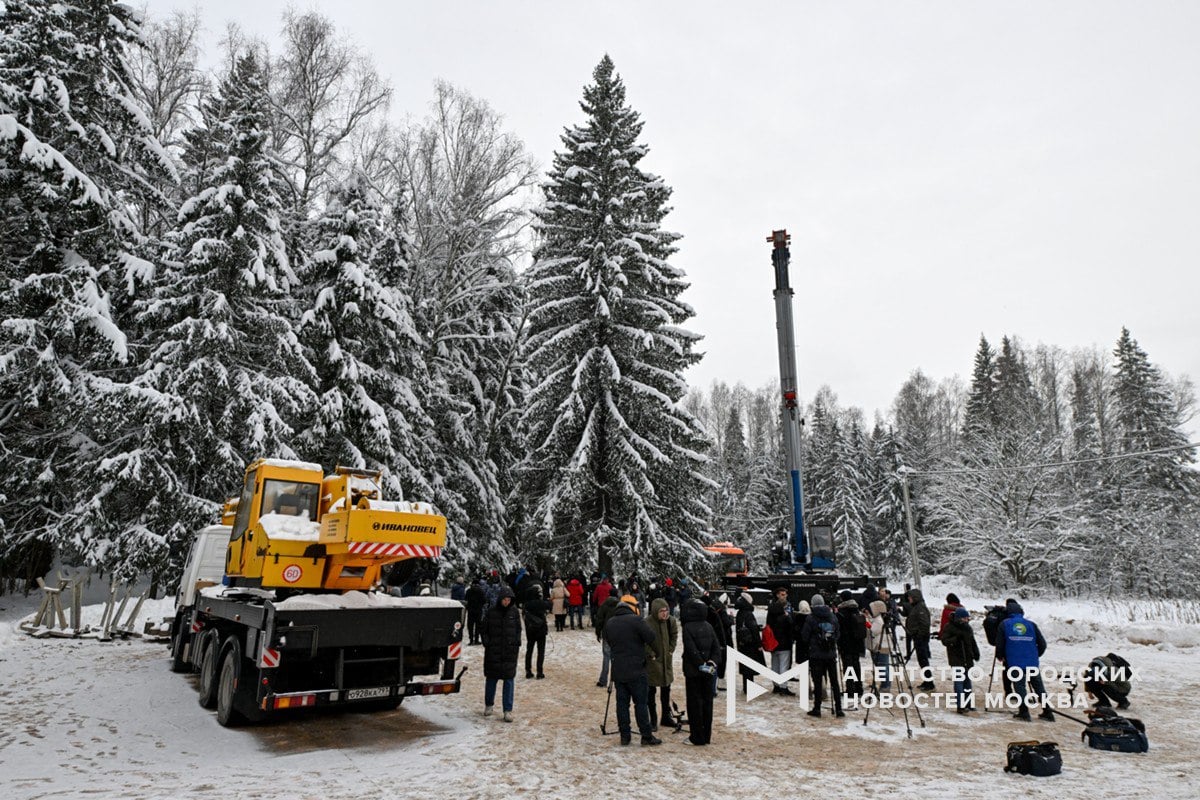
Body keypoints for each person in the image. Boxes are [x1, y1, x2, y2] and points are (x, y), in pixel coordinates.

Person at [604, 595, 661, 745]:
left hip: (619, 669)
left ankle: (625, 735)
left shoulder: (610, 623)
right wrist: (657, 653)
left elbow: (608, 641)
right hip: (637, 668)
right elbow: (651, 637)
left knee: (622, 704)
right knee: (640, 703)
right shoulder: (636, 620)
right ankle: (646, 736)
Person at [995, 599, 1054, 721]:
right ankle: (1047, 710)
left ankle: (1024, 711)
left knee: (1020, 686)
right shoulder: (1031, 624)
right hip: (1032, 662)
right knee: (1039, 686)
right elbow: (1042, 643)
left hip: (1015, 661)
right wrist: (1036, 655)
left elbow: (999, 644)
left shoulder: (1004, 624)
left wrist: (1000, 656)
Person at [681, 598, 720, 745]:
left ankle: (696, 737)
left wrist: (701, 664)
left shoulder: (687, 627)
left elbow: (691, 650)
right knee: (707, 703)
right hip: (708, 671)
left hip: (693, 671)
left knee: (694, 704)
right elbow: (717, 648)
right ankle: (706, 735)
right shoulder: (708, 626)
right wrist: (711, 663)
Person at [481, 585, 520, 722]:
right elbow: (483, 629)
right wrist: (487, 642)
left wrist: (516, 643)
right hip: (494, 652)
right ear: (500, 599)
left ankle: (508, 710)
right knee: (491, 680)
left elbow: (518, 630)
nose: (506, 602)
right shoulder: (491, 612)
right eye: (505, 599)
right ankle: (489, 705)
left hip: (509, 653)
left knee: (509, 682)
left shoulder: (514, 612)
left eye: (509, 600)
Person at [802, 594, 843, 718]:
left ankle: (817, 708)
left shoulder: (811, 618)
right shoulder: (832, 616)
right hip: (830, 654)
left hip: (816, 655)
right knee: (834, 682)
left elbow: (805, 636)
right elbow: (837, 634)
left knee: (818, 682)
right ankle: (839, 708)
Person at [646, 598, 679, 729]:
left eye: (666, 611)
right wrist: (651, 654)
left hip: (666, 661)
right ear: (655, 611)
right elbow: (643, 641)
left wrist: (670, 650)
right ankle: (653, 720)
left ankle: (666, 716)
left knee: (666, 689)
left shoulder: (670, 621)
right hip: (652, 663)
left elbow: (674, 635)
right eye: (661, 611)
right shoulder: (647, 623)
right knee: (651, 692)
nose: (664, 614)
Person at [940, 607, 981, 713]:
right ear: (959, 618)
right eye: (965, 618)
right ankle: (960, 705)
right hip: (956, 658)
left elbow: (972, 641)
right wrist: (956, 639)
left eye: (967, 618)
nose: (967, 619)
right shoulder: (949, 627)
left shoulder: (967, 628)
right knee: (959, 683)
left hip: (968, 658)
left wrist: (975, 653)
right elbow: (944, 640)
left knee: (968, 683)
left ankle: (969, 703)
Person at [836, 591, 867, 698]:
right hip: (857, 643)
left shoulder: (842, 612)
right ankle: (859, 688)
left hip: (846, 644)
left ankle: (850, 690)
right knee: (856, 666)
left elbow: (838, 628)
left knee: (848, 667)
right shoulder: (856, 609)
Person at [765, 587, 795, 695]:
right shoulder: (785, 610)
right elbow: (791, 624)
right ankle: (783, 686)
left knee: (775, 664)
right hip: (784, 641)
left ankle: (776, 685)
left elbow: (768, 624)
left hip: (774, 641)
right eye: (782, 594)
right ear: (777, 595)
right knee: (783, 664)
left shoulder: (771, 608)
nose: (785, 596)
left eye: (785, 594)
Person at [734, 592, 765, 696]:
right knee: (750, 666)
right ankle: (749, 687)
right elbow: (753, 630)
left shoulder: (740, 613)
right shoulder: (748, 614)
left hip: (742, 643)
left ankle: (746, 686)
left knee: (745, 666)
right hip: (750, 644)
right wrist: (759, 644)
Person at [905, 588, 935, 690]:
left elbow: (925, 624)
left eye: (910, 597)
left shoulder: (920, 608)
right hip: (918, 637)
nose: (909, 599)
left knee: (923, 660)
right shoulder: (916, 607)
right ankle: (927, 680)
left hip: (920, 639)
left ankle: (929, 682)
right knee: (922, 660)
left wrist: (919, 635)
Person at [594, 590, 620, 686]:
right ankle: (617, 680)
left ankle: (603, 680)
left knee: (606, 657)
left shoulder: (604, 604)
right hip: (617, 634)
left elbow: (599, 619)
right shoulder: (620, 605)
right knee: (617, 658)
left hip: (607, 633)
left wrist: (598, 632)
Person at [523, 584, 549, 679]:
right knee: (540, 651)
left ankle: (528, 670)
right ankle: (539, 672)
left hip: (530, 630)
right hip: (541, 629)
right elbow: (549, 605)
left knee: (529, 650)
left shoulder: (526, 605)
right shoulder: (541, 603)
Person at [867, 599, 893, 691]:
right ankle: (886, 683)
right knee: (883, 665)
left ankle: (885, 685)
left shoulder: (878, 620)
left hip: (880, 645)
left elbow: (874, 631)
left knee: (882, 666)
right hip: (883, 645)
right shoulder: (882, 618)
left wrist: (867, 625)